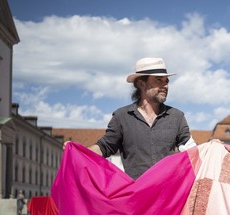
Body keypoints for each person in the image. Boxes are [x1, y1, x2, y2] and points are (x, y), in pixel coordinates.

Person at [66, 57, 196, 180]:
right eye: (158, 80)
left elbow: (193, 150)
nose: (165, 85)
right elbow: (104, 147)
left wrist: (213, 148)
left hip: (170, 197)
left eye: (166, 81)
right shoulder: (121, 117)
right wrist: (77, 152)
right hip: (137, 196)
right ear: (141, 83)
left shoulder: (177, 116)